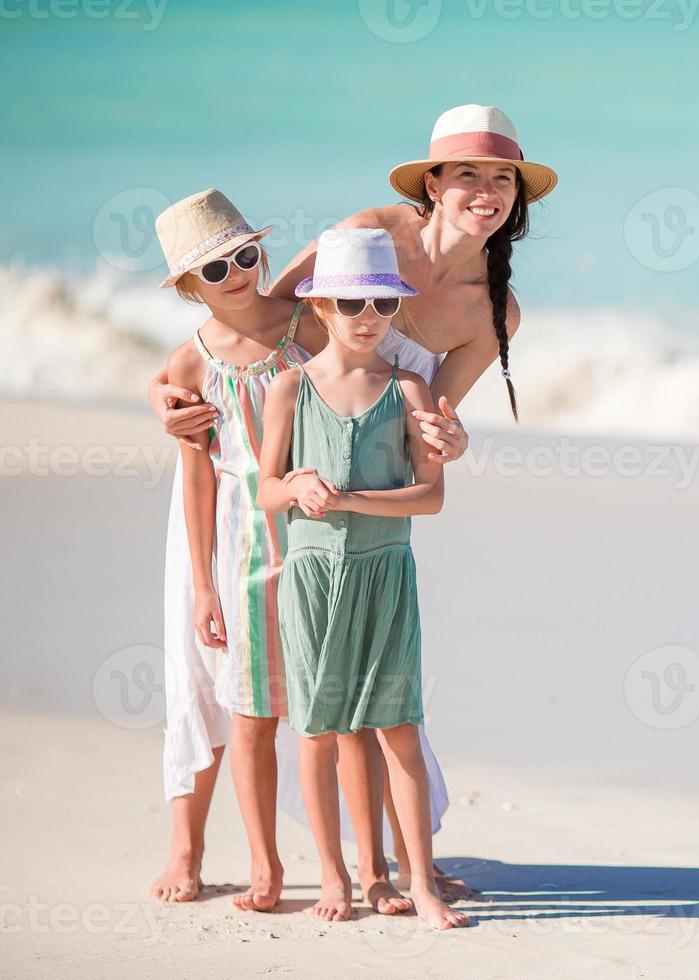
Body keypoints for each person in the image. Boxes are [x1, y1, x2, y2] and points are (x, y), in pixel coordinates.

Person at [146, 104, 556, 898]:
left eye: (501, 177)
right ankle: (187, 849)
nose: (485, 190)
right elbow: (269, 319)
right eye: (466, 172)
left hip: (347, 489)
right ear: (431, 183)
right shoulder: (370, 235)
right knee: (210, 663)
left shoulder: (494, 309)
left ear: (518, 196)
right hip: (253, 452)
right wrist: (162, 395)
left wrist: (446, 442)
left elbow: (427, 418)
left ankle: (394, 859)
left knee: (368, 679)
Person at [257, 227, 468, 929]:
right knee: (319, 731)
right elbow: (264, 490)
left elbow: (431, 497)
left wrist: (348, 499)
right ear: (321, 307)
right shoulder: (288, 387)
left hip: (386, 574)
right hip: (313, 578)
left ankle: (421, 883)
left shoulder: (408, 388)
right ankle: (336, 876)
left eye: (381, 301)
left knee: (398, 727)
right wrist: (296, 484)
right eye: (351, 302)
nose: (367, 315)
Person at [148, 189, 311, 910]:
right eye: (214, 270)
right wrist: (205, 586)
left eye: (246, 256)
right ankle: (225, 856)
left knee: (331, 697)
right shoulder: (190, 365)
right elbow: (197, 474)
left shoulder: (315, 324)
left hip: (315, 534)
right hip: (237, 543)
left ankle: (373, 856)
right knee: (230, 697)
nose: (238, 272)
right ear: (187, 288)